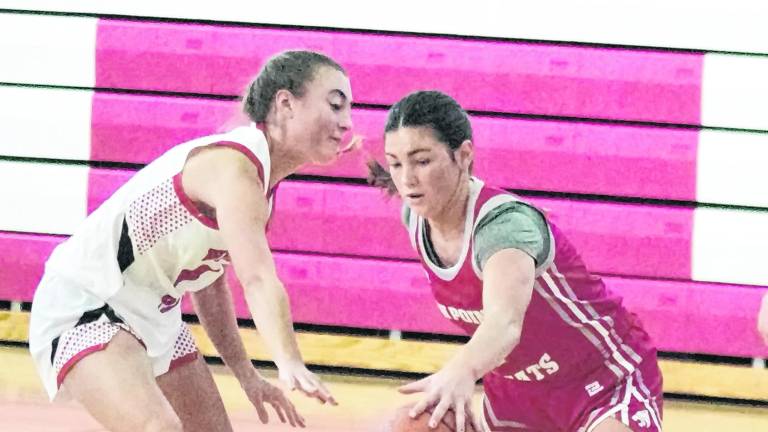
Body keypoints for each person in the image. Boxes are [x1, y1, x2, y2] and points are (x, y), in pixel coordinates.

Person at [28, 50, 360, 432]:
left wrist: (246, 374)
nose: (346, 123)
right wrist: (289, 360)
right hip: (87, 300)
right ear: (285, 104)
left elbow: (209, 284)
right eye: (335, 105)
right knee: (159, 428)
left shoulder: (260, 186)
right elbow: (257, 279)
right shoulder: (233, 169)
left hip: (152, 311)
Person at [368, 91, 663, 432]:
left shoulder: (504, 226)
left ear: (464, 155)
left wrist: (461, 369)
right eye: (395, 163)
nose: (407, 179)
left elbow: (504, 322)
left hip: (599, 378)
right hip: (517, 395)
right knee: (411, 426)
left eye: (422, 161)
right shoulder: (416, 219)